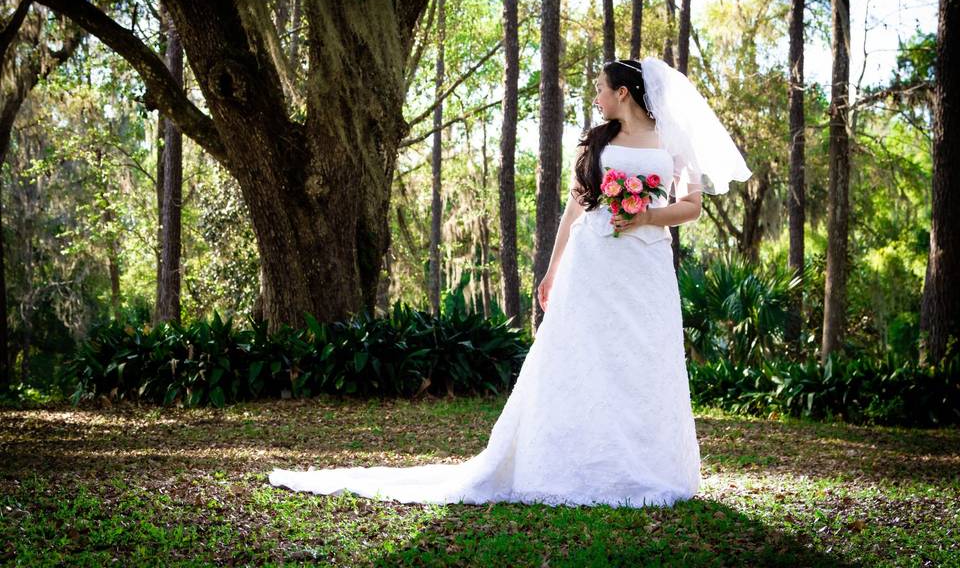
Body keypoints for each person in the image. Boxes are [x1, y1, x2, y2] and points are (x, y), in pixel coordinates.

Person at [268, 57, 752, 508]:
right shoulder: (596, 143)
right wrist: (553, 267)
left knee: (641, 358)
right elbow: (576, 206)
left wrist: (647, 215)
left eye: (601, 91)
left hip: (645, 268)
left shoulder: (672, 140)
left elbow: (690, 207)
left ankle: (645, 466)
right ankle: (576, 464)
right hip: (595, 262)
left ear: (623, 93)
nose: (597, 99)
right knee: (583, 357)